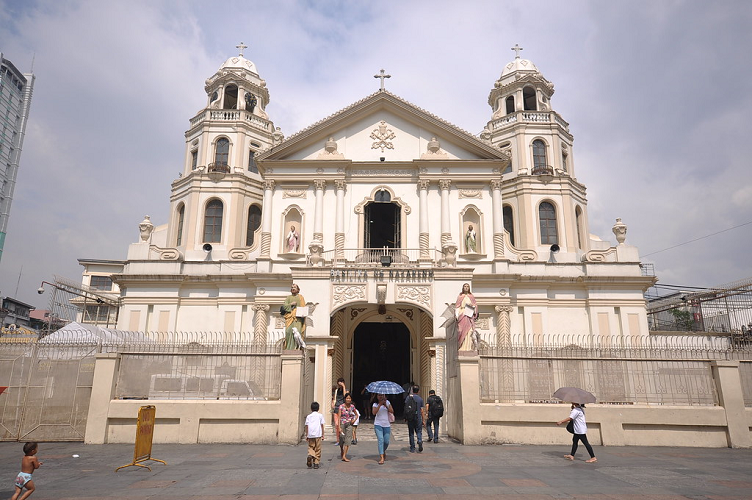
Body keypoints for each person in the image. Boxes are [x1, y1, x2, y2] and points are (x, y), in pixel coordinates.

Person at [372, 393, 394, 465]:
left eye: (382, 395)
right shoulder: (375, 404)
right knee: (381, 440)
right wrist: (379, 405)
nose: (380, 396)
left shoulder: (387, 402)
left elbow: (392, 411)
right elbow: (374, 412)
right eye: (379, 395)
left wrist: (386, 405)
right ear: (377, 396)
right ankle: (381, 457)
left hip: (386, 424)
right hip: (378, 424)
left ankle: (383, 450)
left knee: (386, 441)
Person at [282, 284, 306, 350]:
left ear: (298, 290)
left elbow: (303, 307)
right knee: (288, 332)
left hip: (298, 318)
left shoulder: (300, 297)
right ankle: (288, 348)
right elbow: (284, 307)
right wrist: (291, 304)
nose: (293, 288)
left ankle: (296, 347)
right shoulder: (288, 297)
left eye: (295, 287)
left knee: (297, 333)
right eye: (292, 287)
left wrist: (302, 314)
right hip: (289, 317)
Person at [455, 283, 478, 351]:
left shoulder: (471, 296)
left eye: (467, 286)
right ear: (463, 287)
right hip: (462, 313)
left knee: (469, 331)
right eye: (465, 286)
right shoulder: (460, 296)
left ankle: (468, 347)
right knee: (460, 330)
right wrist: (457, 314)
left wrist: (472, 306)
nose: (466, 287)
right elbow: (457, 306)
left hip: (469, 314)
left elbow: (475, 306)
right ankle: (461, 346)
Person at [338, 393, 359, 462]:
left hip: (349, 424)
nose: (348, 399)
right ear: (345, 399)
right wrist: (339, 427)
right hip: (342, 423)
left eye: (349, 398)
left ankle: (344, 455)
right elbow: (339, 417)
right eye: (347, 398)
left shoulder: (352, 407)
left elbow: (356, 415)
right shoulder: (341, 406)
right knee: (341, 438)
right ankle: (341, 449)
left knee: (348, 439)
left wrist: (354, 420)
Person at [304, 401, 325, 469]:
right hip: (318, 434)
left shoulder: (309, 416)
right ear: (318, 408)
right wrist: (322, 434)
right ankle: (316, 463)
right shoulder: (320, 415)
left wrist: (307, 434)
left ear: (311, 408)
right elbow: (322, 425)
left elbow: (306, 426)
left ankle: (310, 455)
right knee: (318, 449)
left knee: (311, 447)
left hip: (310, 434)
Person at [405, 385, 424, 453]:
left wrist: (406, 417)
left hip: (410, 417)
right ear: (418, 391)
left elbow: (406, 408)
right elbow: (421, 410)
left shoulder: (408, 398)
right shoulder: (420, 399)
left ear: (412, 390)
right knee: (419, 431)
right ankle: (419, 440)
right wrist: (423, 419)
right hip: (418, 417)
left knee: (411, 432)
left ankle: (412, 447)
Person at [331, 378, 347, 445]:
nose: (339, 384)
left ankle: (343, 439)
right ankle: (338, 440)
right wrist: (332, 404)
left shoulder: (346, 390)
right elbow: (334, 398)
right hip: (336, 408)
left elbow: (345, 396)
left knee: (342, 425)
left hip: (342, 409)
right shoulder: (337, 390)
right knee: (337, 425)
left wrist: (343, 387)